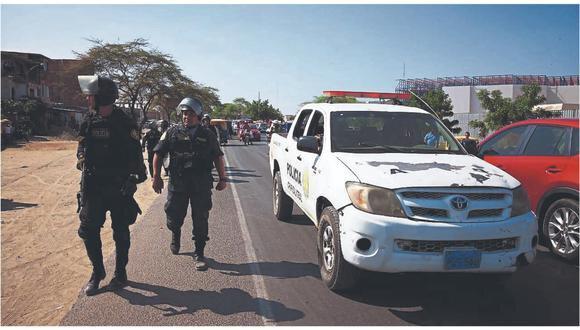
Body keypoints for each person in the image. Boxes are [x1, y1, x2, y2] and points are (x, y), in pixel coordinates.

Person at [76, 75, 147, 296]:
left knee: (121, 232)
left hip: (118, 188)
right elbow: (81, 147)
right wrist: (80, 158)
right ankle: (98, 273)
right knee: (88, 230)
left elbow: (137, 161)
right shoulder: (88, 119)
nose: (88, 99)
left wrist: (132, 181)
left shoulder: (126, 124)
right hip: (93, 188)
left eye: (91, 95)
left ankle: (120, 273)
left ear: (102, 97)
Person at [152, 97, 227, 271]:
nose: (187, 117)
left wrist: (222, 179)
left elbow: (217, 156)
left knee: (200, 218)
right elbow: (158, 153)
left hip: (200, 184)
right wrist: (155, 176)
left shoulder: (207, 134)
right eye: (184, 114)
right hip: (178, 183)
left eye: (191, 114)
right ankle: (175, 235)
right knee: (174, 215)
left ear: (199, 116)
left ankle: (199, 253)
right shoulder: (171, 132)